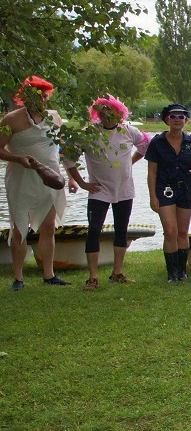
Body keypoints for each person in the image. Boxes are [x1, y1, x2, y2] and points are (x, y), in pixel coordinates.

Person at [63, 95, 149, 289]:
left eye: (110, 111)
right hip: (98, 190)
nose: (106, 115)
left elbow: (145, 146)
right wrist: (82, 183)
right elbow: (68, 157)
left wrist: (130, 163)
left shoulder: (128, 130)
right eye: (102, 112)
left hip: (124, 190)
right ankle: (92, 277)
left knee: (122, 230)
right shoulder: (89, 133)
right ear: (97, 114)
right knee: (94, 230)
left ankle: (117, 272)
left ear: (119, 112)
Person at [0, 76, 69, 289]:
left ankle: (49, 275)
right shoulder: (10, 120)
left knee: (48, 226)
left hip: (49, 178)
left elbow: (61, 148)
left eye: (43, 95)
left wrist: (71, 176)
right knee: (20, 228)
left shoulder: (54, 118)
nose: (39, 99)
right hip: (21, 179)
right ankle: (18, 278)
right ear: (24, 97)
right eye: (33, 95)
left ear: (48, 97)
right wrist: (18, 159)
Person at [145, 103, 191, 282]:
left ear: (186, 119)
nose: (177, 120)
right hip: (165, 190)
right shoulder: (157, 142)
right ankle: (171, 274)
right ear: (166, 119)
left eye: (181, 116)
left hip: (185, 190)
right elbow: (151, 172)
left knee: (182, 232)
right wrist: (153, 196)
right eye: (173, 116)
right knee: (170, 231)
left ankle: (181, 271)